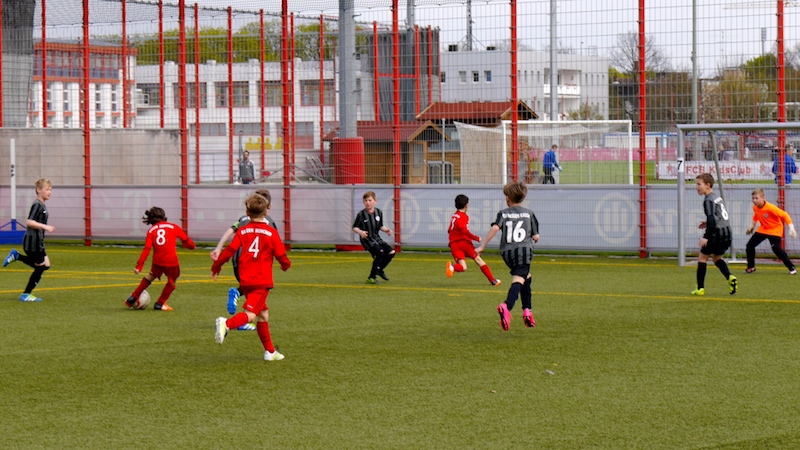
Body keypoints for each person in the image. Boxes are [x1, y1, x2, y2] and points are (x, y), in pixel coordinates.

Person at [213, 194, 291, 361]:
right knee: (251, 314)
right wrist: (285, 265)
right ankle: (227, 324)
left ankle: (270, 351)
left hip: (245, 279)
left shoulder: (243, 231)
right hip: (261, 281)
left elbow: (230, 250)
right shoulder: (271, 232)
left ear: (247, 212)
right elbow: (280, 254)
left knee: (263, 314)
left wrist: (217, 265)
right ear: (266, 212)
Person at [476, 180, 539, 331]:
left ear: (507, 199)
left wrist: (483, 246)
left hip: (507, 252)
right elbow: (536, 237)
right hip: (524, 251)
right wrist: (533, 237)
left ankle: (527, 311)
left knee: (526, 277)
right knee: (519, 279)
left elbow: (495, 228)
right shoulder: (529, 214)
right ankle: (507, 306)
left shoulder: (503, 213)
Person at [210, 189, 275, 324]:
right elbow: (274, 244)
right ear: (268, 208)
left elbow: (230, 231)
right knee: (255, 294)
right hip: (256, 264)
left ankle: (242, 306)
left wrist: (218, 248)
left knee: (255, 298)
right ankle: (237, 321)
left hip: (239, 260)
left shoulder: (243, 219)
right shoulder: (269, 222)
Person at [125, 207, 196, 311]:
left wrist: (139, 266)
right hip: (172, 261)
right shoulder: (173, 227)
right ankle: (160, 303)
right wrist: (192, 246)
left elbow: (147, 249)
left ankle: (133, 297)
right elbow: (186, 239)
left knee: (151, 276)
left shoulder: (151, 231)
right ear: (164, 216)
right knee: (172, 282)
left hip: (157, 261)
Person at [3, 178, 55, 302]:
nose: (49, 192)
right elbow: (29, 222)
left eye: (50, 189)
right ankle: (26, 294)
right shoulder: (37, 204)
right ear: (38, 190)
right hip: (33, 242)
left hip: (38, 241)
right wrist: (45, 227)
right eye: (47, 189)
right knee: (41, 267)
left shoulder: (42, 204)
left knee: (46, 265)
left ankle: (17, 256)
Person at [692, 173, 737, 296]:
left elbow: (712, 219)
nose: (696, 187)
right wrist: (707, 223)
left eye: (699, 184)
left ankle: (700, 288)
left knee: (702, 258)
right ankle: (730, 277)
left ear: (708, 185)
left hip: (716, 234)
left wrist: (706, 236)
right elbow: (719, 216)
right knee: (717, 258)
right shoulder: (717, 197)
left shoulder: (708, 200)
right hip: (727, 232)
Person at [445, 194, 501, 286]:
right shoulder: (463, 216)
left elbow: (449, 230)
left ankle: (452, 267)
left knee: (463, 267)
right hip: (464, 243)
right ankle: (493, 280)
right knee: (478, 260)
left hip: (454, 245)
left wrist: (452, 241)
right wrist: (475, 238)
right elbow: (463, 230)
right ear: (467, 205)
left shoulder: (454, 216)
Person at [744, 188, 797, 275]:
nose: (754, 200)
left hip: (775, 229)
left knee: (775, 248)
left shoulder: (771, 208)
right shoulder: (755, 207)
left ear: (763, 198)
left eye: (756, 198)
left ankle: (791, 267)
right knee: (750, 245)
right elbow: (756, 216)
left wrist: (791, 227)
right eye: (753, 198)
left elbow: (785, 215)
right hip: (763, 229)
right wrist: (752, 226)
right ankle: (751, 267)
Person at [352, 191, 395, 284]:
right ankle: (371, 277)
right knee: (380, 253)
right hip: (367, 239)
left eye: (370, 200)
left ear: (375, 201)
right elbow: (354, 227)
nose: (368, 202)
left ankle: (379, 269)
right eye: (365, 200)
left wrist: (386, 230)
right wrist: (361, 232)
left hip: (376, 237)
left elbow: (380, 226)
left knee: (391, 252)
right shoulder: (361, 214)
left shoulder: (378, 212)